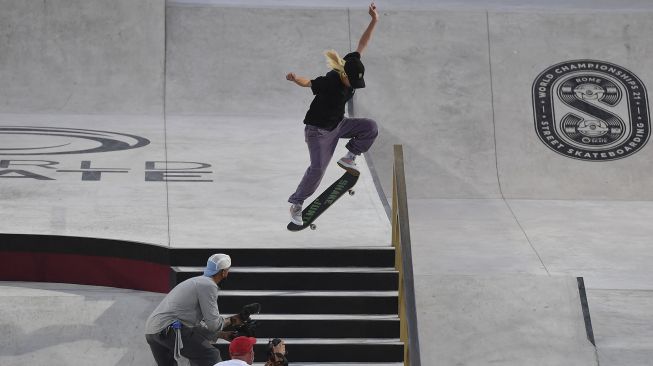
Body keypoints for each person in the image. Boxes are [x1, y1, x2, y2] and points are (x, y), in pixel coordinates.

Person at [286, 2, 380, 226]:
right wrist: (294, 78)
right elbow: (308, 82)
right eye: (351, 80)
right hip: (319, 132)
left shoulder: (352, 63)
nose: (353, 85)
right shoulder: (329, 82)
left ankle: (349, 157)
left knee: (370, 127)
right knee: (317, 169)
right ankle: (297, 203)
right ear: (342, 73)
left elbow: (363, 43)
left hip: (338, 124)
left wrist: (374, 20)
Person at [145, 254, 246, 366]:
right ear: (223, 272)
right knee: (210, 355)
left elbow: (193, 326)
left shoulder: (196, 282)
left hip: (152, 331)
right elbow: (213, 324)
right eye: (227, 271)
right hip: (170, 329)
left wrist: (221, 335)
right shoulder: (209, 285)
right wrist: (232, 320)